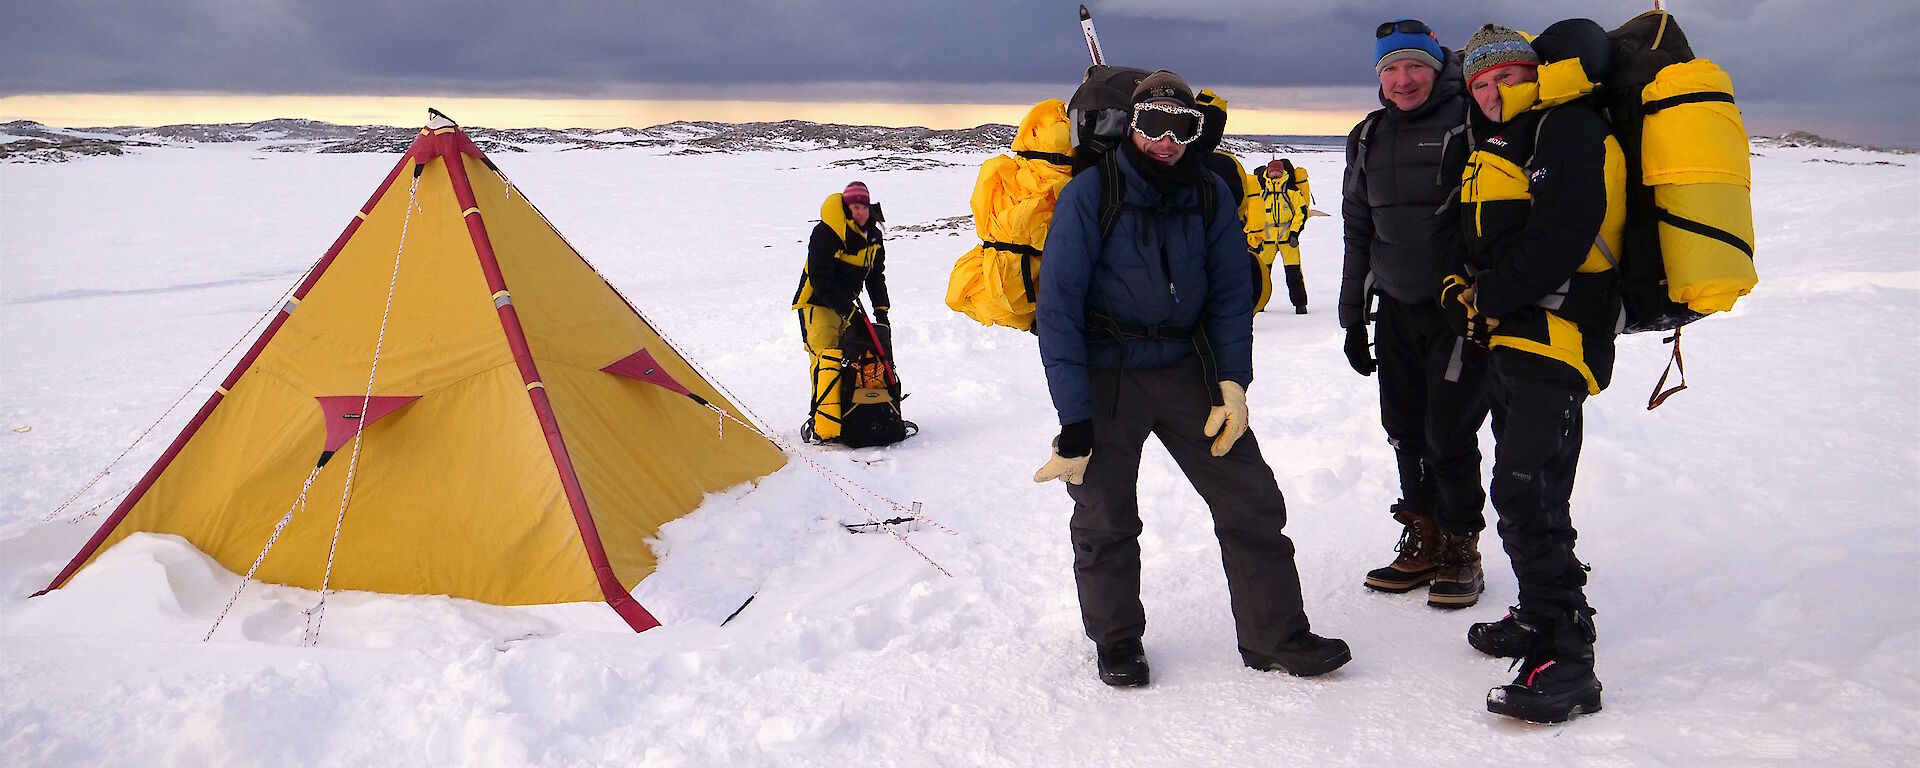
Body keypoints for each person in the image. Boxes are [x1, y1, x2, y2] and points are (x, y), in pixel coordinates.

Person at [1031, 70, 1349, 688]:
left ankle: (1275, 634)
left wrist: (1232, 381)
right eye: (1152, 123)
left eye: (1182, 126)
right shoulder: (1091, 194)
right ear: (1132, 125)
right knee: (1104, 516)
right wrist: (1075, 419)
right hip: (1109, 375)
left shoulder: (1207, 194)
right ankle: (1117, 642)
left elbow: (1231, 295)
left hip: (1187, 371)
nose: (1166, 140)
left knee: (1250, 499)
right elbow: (1059, 309)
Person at [1446, 20, 1624, 722]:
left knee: (1523, 490)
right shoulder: (1520, 136)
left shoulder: (1569, 129)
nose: (1493, 92)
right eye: (1481, 82)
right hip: (1518, 342)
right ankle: (1537, 610)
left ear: (1537, 73)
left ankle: (1567, 655)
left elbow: (1561, 237)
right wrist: (1467, 289)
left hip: (1555, 342)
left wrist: (1486, 296)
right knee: (1536, 484)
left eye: (1508, 77)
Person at [1339, 17, 1490, 608]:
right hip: (1396, 308)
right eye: (1391, 69)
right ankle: (1423, 537)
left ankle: (1461, 546)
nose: (1404, 80)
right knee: (1404, 429)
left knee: (1448, 432)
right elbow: (1358, 231)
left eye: (1415, 67)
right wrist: (1353, 316)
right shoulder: (1368, 135)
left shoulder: (1471, 122)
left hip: (1459, 310)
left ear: (1437, 67)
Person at [791, 181, 889, 443]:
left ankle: (851, 416)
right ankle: (823, 422)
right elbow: (821, 282)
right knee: (826, 360)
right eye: (855, 207)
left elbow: (875, 276)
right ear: (847, 209)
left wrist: (882, 312)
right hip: (816, 304)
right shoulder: (826, 233)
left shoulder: (873, 237)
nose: (861, 212)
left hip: (846, 305)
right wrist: (851, 314)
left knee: (854, 360)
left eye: (864, 207)